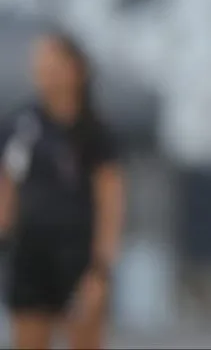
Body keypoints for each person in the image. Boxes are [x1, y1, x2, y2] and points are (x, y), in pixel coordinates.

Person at [0, 30, 124, 350]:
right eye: (39, 64)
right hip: (30, 254)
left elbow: (110, 201)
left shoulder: (94, 131)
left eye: (52, 63)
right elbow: (7, 189)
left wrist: (101, 269)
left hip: (77, 256)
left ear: (75, 69)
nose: (44, 72)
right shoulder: (21, 124)